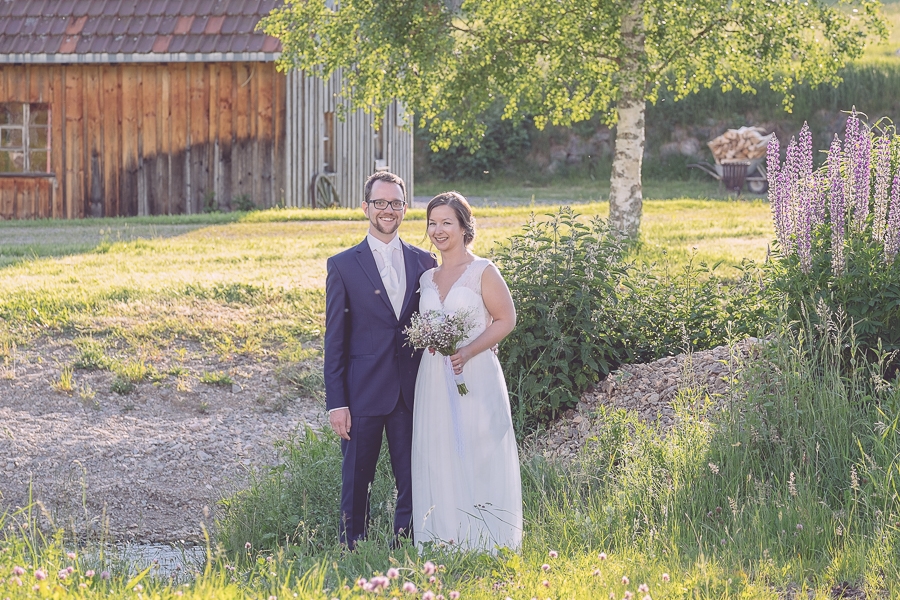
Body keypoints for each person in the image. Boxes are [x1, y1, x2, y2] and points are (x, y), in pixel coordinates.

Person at [324, 172, 438, 549]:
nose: (388, 210)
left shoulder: (425, 261)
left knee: (412, 477)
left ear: (405, 208)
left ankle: (403, 546)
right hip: (361, 394)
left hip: (411, 391)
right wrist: (337, 402)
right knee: (357, 479)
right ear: (365, 207)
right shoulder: (342, 265)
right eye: (380, 203)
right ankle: (351, 548)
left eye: (395, 203)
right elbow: (335, 340)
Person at [411, 191, 523, 552]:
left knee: (479, 448)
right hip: (433, 377)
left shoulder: (483, 271)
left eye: (447, 222)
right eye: (433, 222)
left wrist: (468, 350)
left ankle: (486, 537)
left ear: (463, 227)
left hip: (474, 375)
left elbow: (507, 319)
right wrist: (430, 339)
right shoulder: (427, 278)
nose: (438, 230)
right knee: (438, 450)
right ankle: (444, 536)